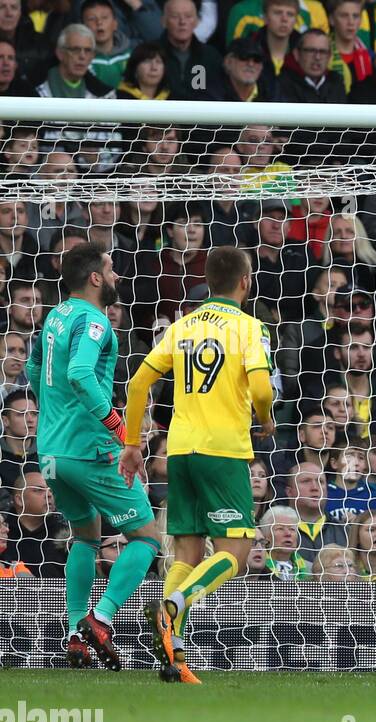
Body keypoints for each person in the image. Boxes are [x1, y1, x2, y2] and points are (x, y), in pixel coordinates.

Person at [121, 246, 275, 684]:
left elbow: (137, 385)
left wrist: (133, 444)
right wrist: (265, 419)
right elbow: (262, 391)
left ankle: (175, 657)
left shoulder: (182, 326)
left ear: (208, 280)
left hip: (180, 451)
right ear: (245, 282)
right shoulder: (249, 327)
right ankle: (176, 605)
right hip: (222, 451)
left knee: (186, 551)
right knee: (236, 551)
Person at [23, 242, 163, 669]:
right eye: (111, 268)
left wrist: (57, 414)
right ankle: (100, 620)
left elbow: (33, 369)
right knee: (147, 537)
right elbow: (81, 373)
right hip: (91, 451)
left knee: (86, 536)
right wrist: (123, 432)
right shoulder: (95, 321)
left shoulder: (55, 316)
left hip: (51, 452)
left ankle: (74, 635)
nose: (118, 275)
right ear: (96, 278)